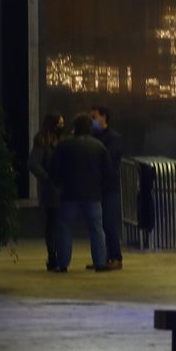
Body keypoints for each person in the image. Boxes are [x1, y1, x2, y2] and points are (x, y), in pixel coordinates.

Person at [47, 114, 112, 273]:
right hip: (92, 195)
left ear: (74, 128)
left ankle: (62, 264)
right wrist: (101, 189)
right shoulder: (99, 146)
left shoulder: (64, 145)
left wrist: (58, 185)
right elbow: (108, 172)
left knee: (65, 229)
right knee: (96, 229)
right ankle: (100, 262)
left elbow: (54, 169)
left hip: (69, 194)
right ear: (90, 128)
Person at [89, 106, 125, 270]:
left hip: (109, 187)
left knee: (109, 223)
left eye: (94, 117)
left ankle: (115, 257)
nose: (93, 120)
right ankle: (102, 258)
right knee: (99, 224)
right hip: (96, 187)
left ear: (104, 117)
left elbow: (110, 159)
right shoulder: (93, 136)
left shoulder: (114, 138)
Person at [28, 113, 65, 272]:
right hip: (51, 190)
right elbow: (33, 163)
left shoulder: (57, 141)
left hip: (56, 188)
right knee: (53, 225)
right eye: (60, 123)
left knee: (55, 225)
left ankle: (55, 257)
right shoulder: (43, 142)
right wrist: (47, 178)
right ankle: (54, 257)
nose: (63, 126)